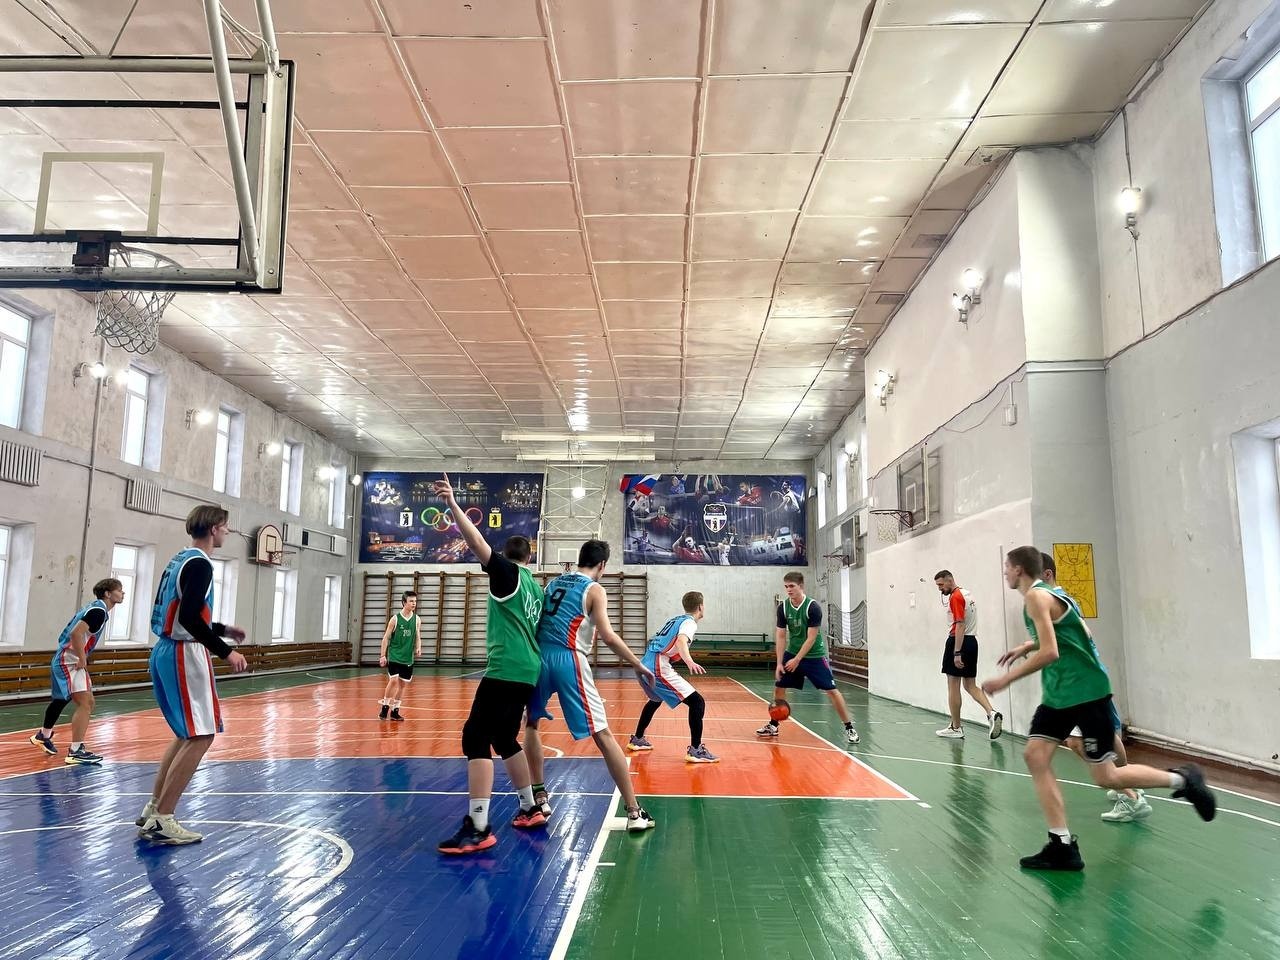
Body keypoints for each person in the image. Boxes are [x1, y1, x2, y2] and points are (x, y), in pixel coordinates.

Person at [981, 546, 1216, 870]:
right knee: (1035, 755)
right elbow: (1079, 633)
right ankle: (1061, 845)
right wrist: (1028, 644)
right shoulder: (1054, 595)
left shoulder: (1035, 597)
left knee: (1107, 777)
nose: (1005, 572)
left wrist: (1005, 679)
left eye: (1007, 567)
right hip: (1060, 696)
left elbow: (1051, 652)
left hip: (1086, 694)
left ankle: (1184, 780)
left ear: (1019, 569)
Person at [433, 474, 549, 855]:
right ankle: (530, 807)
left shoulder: (507, 575)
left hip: (506, 668)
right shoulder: (536, 588)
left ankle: (479, 826)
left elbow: (476, 543)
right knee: (504, 738)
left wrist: (453, 504)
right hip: (528, 669)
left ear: (506, 557)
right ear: (530, 558)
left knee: (475, 737)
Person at [523, 539, 657, 833]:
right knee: (603, 734)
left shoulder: (553, 583)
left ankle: (539, 797)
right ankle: (634, 811)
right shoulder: (594, 589)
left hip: (538, 657)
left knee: (531, 725)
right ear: (602, 565)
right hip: (568, 660)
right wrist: (637, 663)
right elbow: (607, 636)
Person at [137, 505, 249, 845]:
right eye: (225, 526)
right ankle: (164, 817)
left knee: (188, 734)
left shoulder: (180, 559)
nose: (227, 531)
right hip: (183, 653)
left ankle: (154, 809)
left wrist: (223, 628)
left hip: (165, 649)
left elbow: (181, 611)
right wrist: (226, 651)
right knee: (202, 735)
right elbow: (187, 618)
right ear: (214, 528)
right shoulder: (201, 563)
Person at [1038, 552, 1151, 822]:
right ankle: (1127, 786)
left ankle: (1130, 796)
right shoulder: (1061, 601)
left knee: (1077, 741)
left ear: (1047, 574)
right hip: (1083, 679)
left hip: (1082, 682)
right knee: (1103, 735)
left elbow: (1080, 636)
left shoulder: (1055, 602)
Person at [756, 571, 859, 744]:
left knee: (832, 690)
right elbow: (781, 635)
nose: (788, 590)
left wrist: (797, 660)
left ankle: (849, 727)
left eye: (792, 586)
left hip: (814, 655)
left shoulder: (813, 607)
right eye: (786, 587)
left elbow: (811, 638)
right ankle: (773, 725)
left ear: (801, 586)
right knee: (779, 687)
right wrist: (779, 662)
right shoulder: (783, 608)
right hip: (792, 652)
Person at [30, 578, 126, 764]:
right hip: (69, 660)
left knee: (76, 701)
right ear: (108, 593)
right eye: (119, 590)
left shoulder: (97, 609)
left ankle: (46, 735)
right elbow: (76, 633)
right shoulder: (98, 611)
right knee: (85, 703)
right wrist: (82, 658)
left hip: (70, 659)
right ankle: (75, 750)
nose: (123, 593)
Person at [628, 591, 717, 763]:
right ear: (700, 607)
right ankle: (696, 750)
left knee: (655, 700)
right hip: (657, 665)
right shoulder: (689, 623)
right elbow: (681, 641)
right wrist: (689, 661)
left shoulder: (675, 620)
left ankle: (637, 739)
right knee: (697, 702)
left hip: (644, 663)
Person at [932, 571, 1002, 740]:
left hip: (958, 641)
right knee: (970, 685)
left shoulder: (956, 597)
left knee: (953, 686)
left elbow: (960, 625)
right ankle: (991, 713)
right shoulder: (967, 594)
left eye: (941, 585)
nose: (939, 589)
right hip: (972, 642)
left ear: (950, 580)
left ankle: (956, 727)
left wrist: (957, 652)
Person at [378, 591, 420, 721]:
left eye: (415, 601)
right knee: (394, 680)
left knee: (402, 685)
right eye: (411, 601)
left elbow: (417, 636)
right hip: (395, 655)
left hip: (408, 658)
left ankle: (395, 711)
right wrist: (383, 655)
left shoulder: (417, 619)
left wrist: (418, 647)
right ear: (404, 603)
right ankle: (385, 708)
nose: (414, 603)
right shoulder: (395, 619)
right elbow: (386, 638)